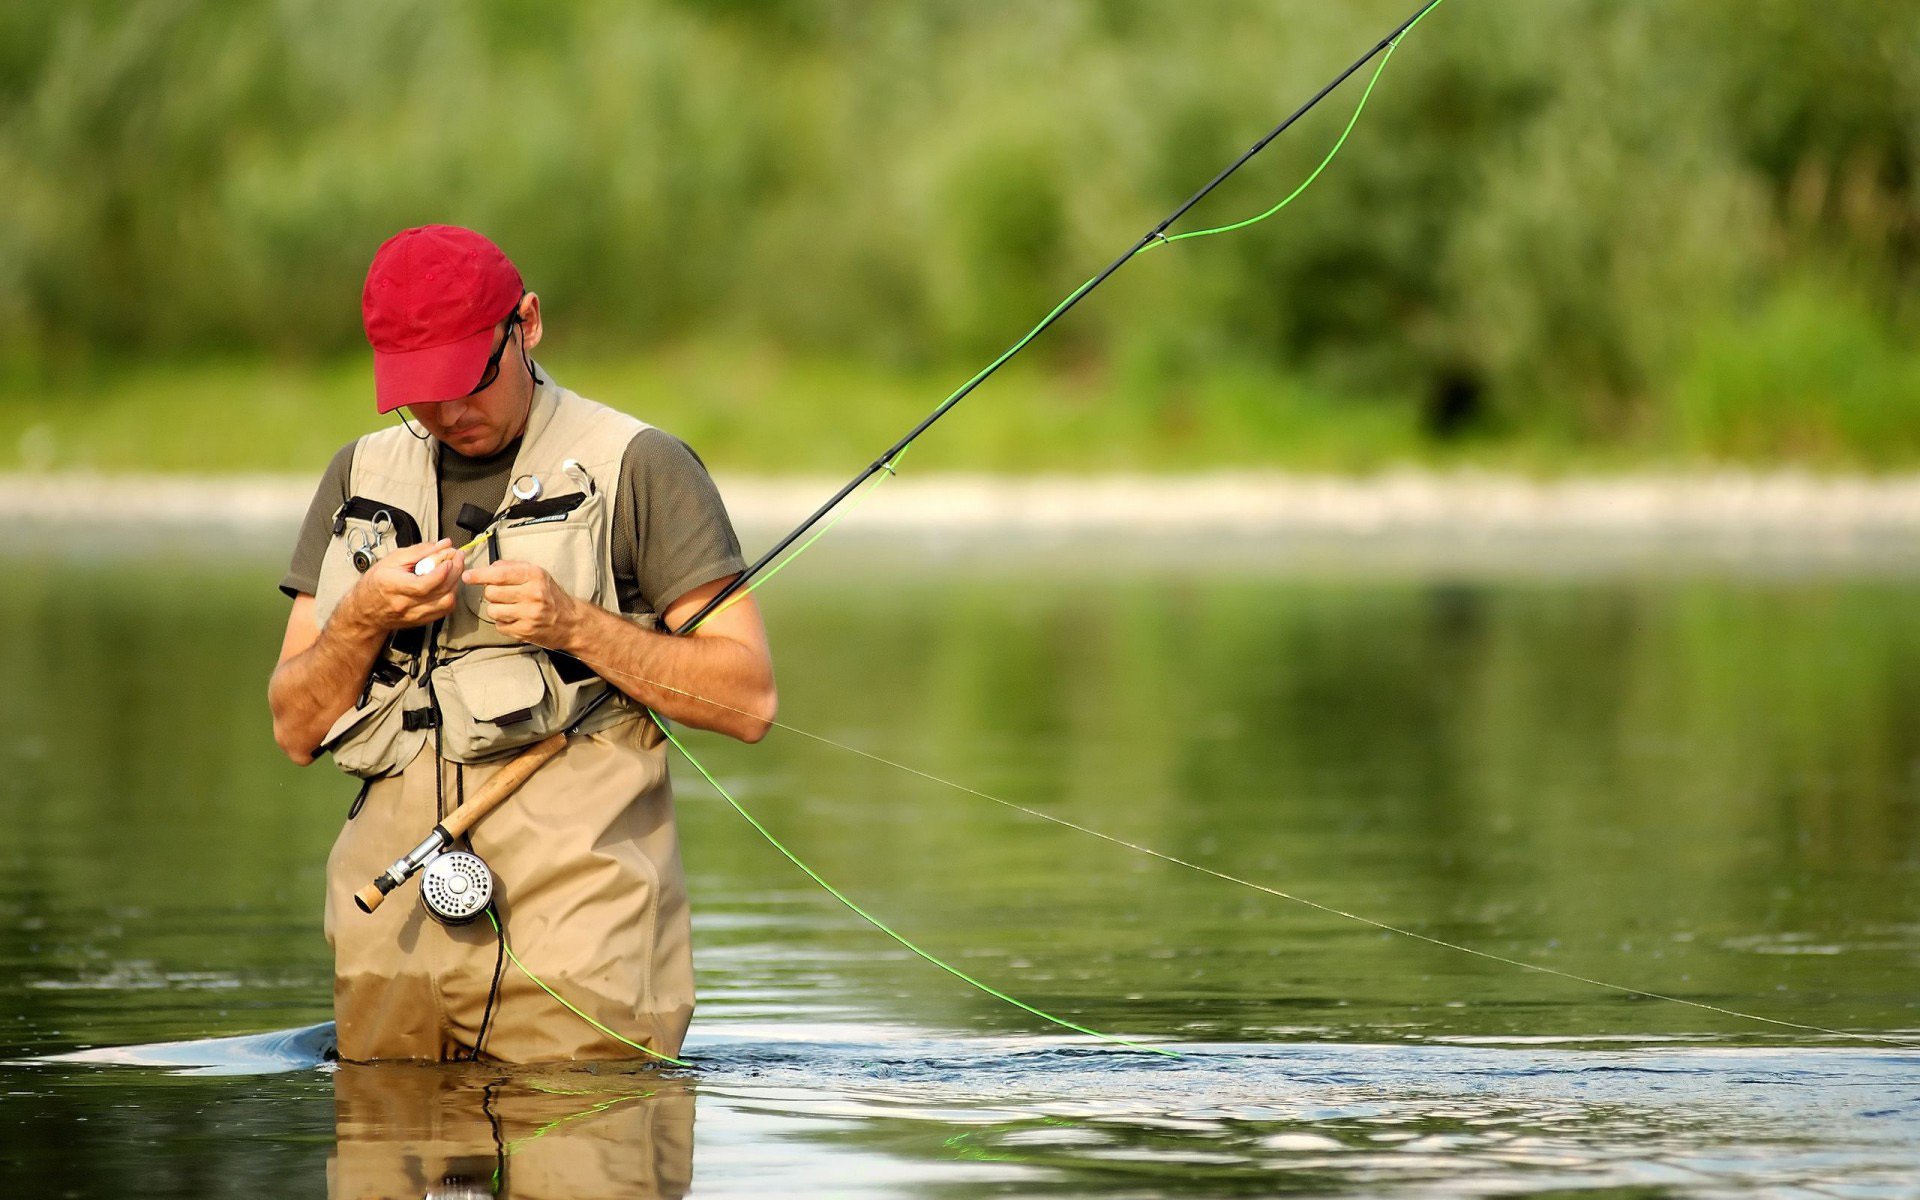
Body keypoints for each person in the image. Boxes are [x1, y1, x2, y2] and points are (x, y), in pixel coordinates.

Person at [267, 224, 776, 1063]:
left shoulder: (642, 466)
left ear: (527, 325)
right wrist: (360, 615)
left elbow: (749, 699)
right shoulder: (354, 476)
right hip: (386, 944)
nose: (450, 414)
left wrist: (574, 624)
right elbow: (293, 729)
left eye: (469, 381)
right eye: (419, 393)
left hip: (585, 956)